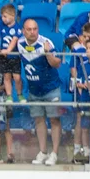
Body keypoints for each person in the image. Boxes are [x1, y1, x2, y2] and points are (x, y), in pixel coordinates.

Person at [15, 17, 63, 165]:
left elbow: (57, 64)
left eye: (35, 29)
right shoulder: (19, 43)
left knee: (54, 119)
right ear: (23, 31)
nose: (32, 32)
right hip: (34, 90)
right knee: (39, 120)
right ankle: (43, 151)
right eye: (29, 29)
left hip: (51, 89)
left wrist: (48, 53)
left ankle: (54, 153)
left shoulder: (46, 43)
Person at [0, 4, 24, 102]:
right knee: (7, 76)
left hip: (14, 56)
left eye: (5, 16)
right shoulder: (1, 25)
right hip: (4, 57)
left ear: (12, 15)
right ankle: (9, 95)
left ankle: (19, 94)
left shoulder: (17, 27)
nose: (3, 18)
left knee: (17, 77)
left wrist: (8, 50)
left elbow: (14, 40)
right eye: (2, 16)